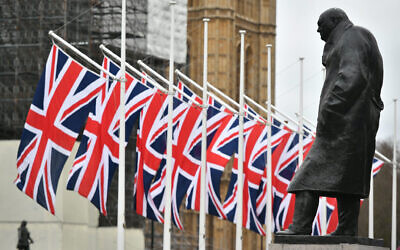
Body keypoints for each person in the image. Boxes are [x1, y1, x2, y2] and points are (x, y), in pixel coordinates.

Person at [279, 8, 383, 236]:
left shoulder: (352, 37)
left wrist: (329, 109)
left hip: (343, 123)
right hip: (356, 123)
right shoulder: (357, 37)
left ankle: (300, 227)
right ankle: (346, 229)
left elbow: (353, 76)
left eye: (321, 24)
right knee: (349, 180)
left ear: (335, 21)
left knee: (305, 177)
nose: (318, 29)